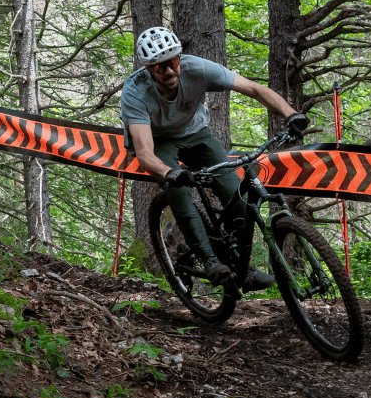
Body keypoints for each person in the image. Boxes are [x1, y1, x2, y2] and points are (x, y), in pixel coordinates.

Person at [120, 27, 309, 290]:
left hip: (195, 133)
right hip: (157, 140)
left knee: (237, 196)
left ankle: (242, 267)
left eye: (173, 62)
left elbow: (254, 88)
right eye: (160, 67)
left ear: (179, 58)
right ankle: (210, 261)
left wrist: (290, 114)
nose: (169, 71)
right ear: (149, 69)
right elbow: (144, 153)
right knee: (179, 191)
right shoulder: (135, 92)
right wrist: (170, 173)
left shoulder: (197, 68)